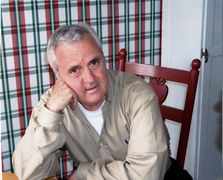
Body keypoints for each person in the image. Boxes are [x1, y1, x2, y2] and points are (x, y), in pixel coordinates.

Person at [12, 23, 171, 180]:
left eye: (94, 63)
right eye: (74, 70)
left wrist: (84, 173)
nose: (90, 79)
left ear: (104, 59)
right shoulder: (52, 104)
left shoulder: (138, 94)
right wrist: (52, 112)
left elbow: (147, 175)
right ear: (59, 76)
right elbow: (27, 174)